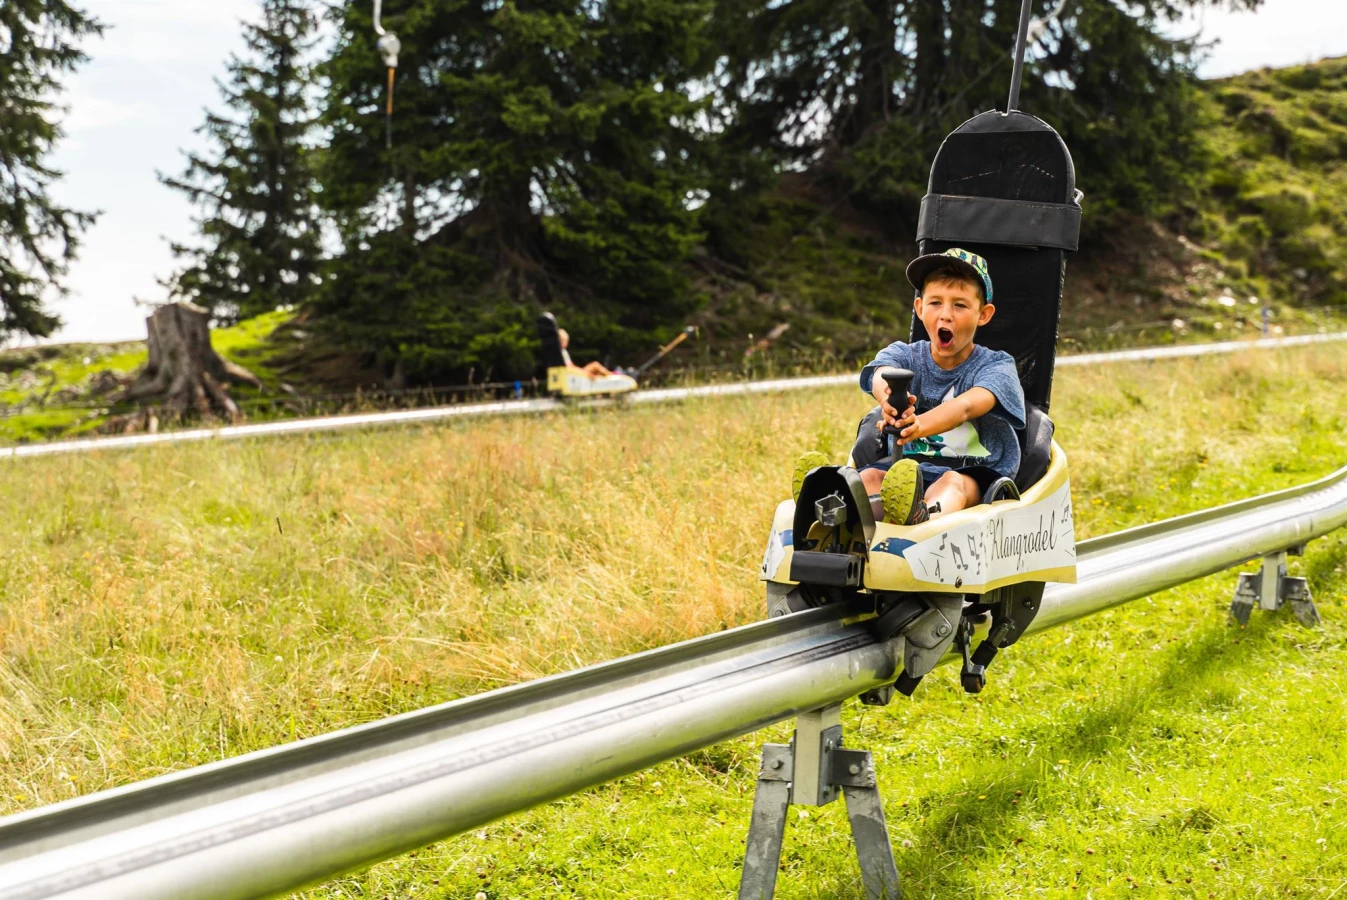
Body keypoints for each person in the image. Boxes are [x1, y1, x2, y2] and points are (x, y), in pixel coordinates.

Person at [795, 248, 1025, 525]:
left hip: (974, 471)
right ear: (919, 308)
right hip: (905, 469)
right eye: (935, 303)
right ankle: (827, 503)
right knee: (869, 477)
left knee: (951, 484)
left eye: (960, 305)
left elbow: (966, 407)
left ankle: (922, 515)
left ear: (983, 314)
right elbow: (881, 373)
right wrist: (888, 399)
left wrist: (918, 426)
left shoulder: (996, 366)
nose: (946, 315)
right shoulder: (906, 355)